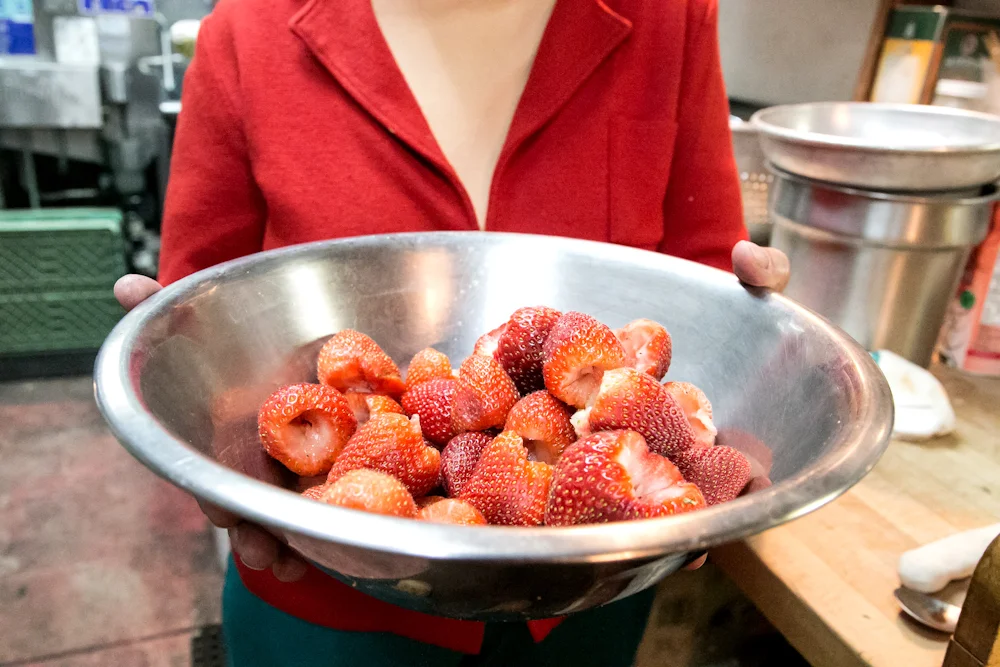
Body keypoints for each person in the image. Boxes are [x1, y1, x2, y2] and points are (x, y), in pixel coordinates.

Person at [115, 0, 790, 664]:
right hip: (326, 605)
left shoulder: (670, 19)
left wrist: (746, 344)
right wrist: (189, 390)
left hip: (586, 601)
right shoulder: (246, 33)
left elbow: (703, 286)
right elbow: (203, 311)